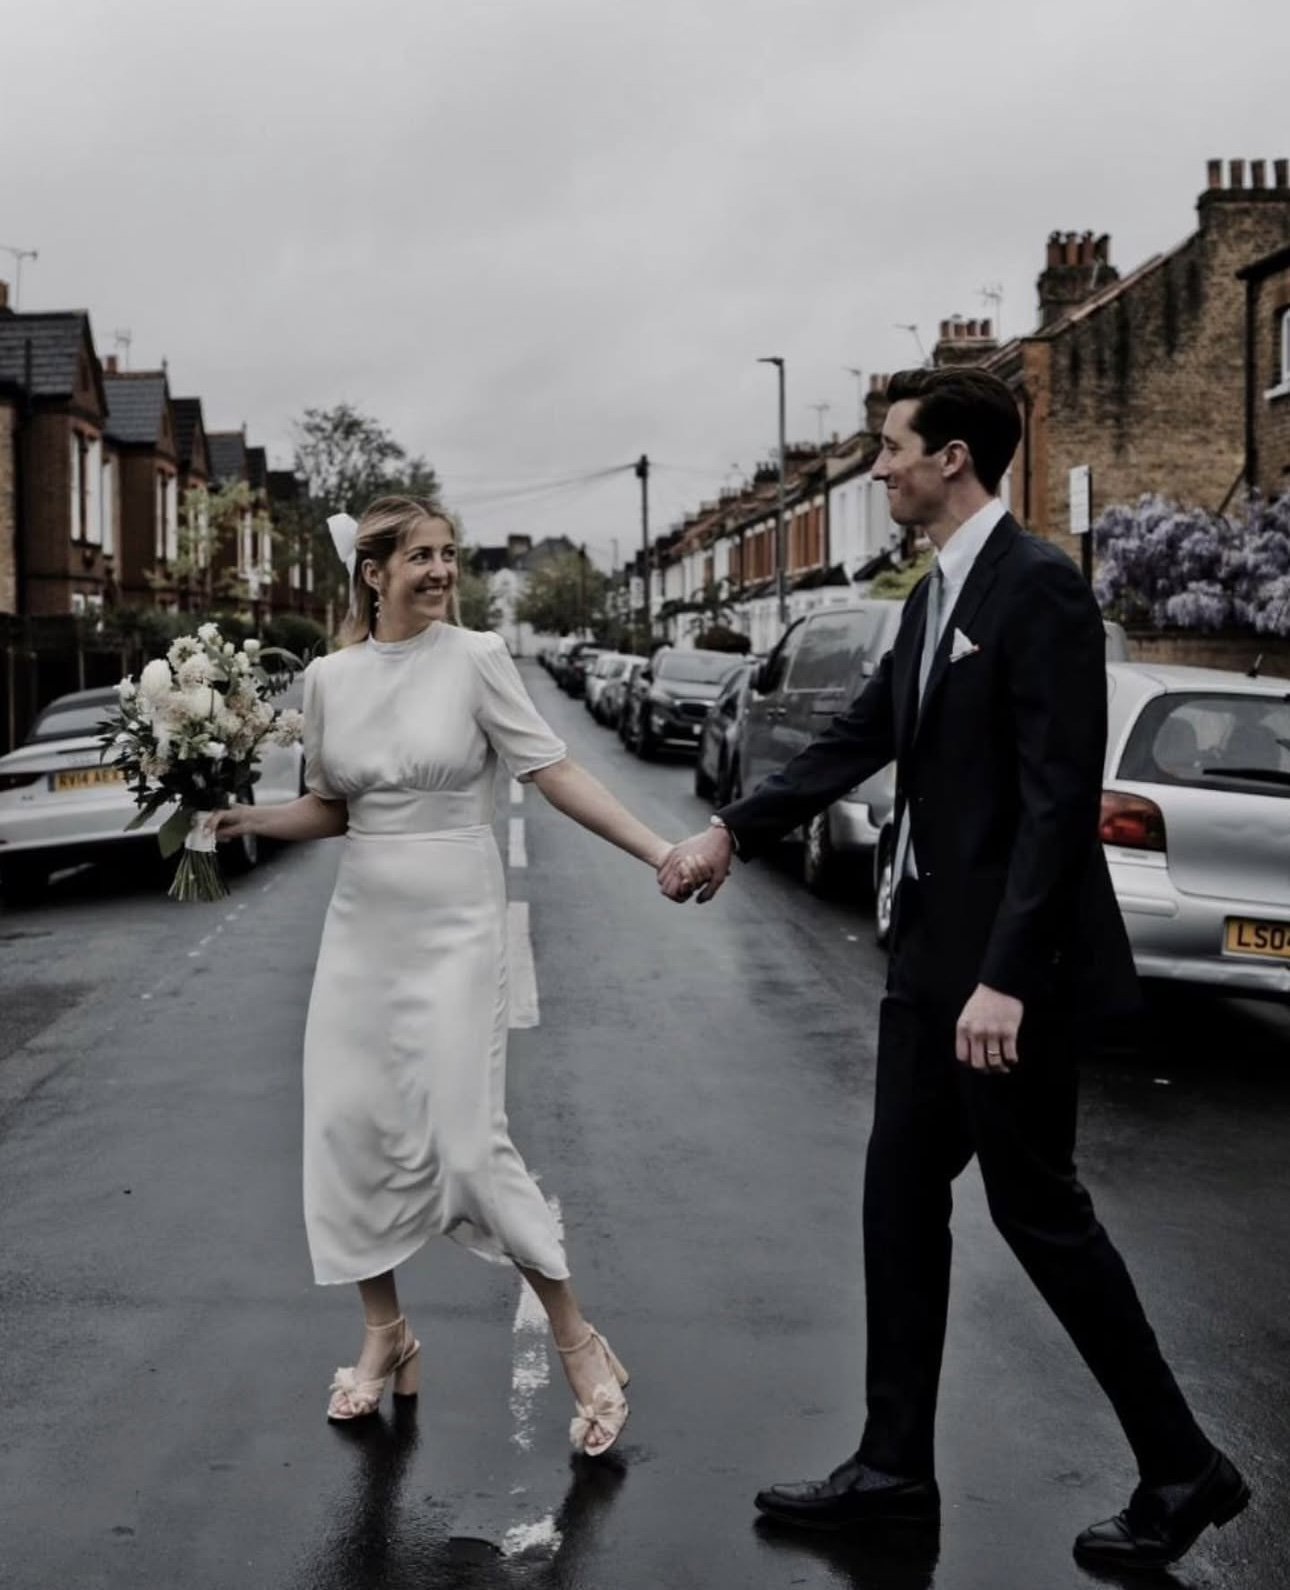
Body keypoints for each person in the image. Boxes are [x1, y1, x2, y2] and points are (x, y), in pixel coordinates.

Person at [658, 368, 1248, 1569]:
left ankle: (1186, 1468)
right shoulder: (936, 594)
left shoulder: (1039, 592)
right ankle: (891, 1466)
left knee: (1041, 1217)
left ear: (957, 459)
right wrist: (733, 828)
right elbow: (862, 734)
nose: (878, 471)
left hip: (998, 979)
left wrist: (1008, 977)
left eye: (892, 450)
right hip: (925, 962)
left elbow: (1053, 804)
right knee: (897, 1204)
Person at [213, 495, 692, 1457]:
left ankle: (579, 1339)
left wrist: (659, 850)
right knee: (350, 1127)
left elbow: (554, 771)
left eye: (448, 556)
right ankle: (385, 1335)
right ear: (373, 573)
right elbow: (330, 808)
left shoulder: (475, 661)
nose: (440, 573)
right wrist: (243, 821)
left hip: (458, 921)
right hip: (364, 927)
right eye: (420, 558)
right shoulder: (328, 680)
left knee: (468, 1145)